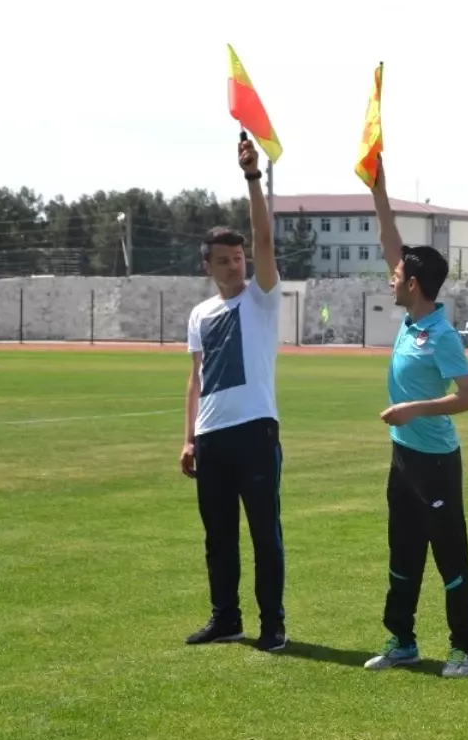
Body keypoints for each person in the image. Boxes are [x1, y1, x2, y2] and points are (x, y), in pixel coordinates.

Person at [363, 155, 468, 678]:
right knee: (403, 552)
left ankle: (464, 648)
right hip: (403, 458)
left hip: (436, 460)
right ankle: (401, 641)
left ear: (414, 284)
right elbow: (393, 246)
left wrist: (414, 407)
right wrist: (380, 191)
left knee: (449, 558)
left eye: (397, 275)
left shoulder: (442, 334)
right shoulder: (411, 319)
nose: (390, 277)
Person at [181, 138, 287, 652]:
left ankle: (273, 624)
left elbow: (266, 241)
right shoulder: (200, 315)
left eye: (239, 258)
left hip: (254, 430)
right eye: (224, 261)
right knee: (217, 536)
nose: (235, 266)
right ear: (208, 265)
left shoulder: (262, 299)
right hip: (213, 435)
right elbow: (195, 379)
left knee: (264, 533)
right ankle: (226, 618)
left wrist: (252, 178)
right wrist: (189, 438)